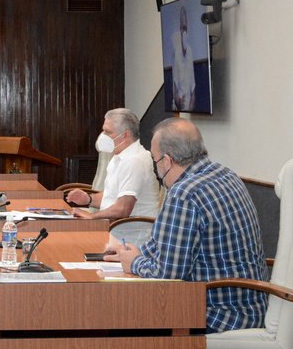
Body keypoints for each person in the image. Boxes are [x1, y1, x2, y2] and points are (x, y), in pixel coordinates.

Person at [105, 118, 269, 333]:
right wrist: (135, 253)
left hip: (216, 312)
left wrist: (135, 262)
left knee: (115, 314)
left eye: (155, 160)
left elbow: (169, 276)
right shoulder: (225, 174)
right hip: (252, 304)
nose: (156, 167)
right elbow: (168, 244)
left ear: (166, 160)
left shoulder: (184, 193)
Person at [66, 109, 160, 220]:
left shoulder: (134, 161)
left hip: (128, 233)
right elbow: (112, 197)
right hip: (115, 227)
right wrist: (88, 199)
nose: (103, 136)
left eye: (108, 132)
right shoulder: (119, 156)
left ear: (125, 134)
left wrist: (92, 216)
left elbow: (123, 209)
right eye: (103, 131)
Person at [171, 6, 196, 111]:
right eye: (182, 28)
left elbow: (192, 79)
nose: (184, 31)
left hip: (189, 101)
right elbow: (175, 79)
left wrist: (193, 99)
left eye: (185, 27)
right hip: (179, 101)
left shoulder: (190, 51)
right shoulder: (176, 52)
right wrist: (178, 98)